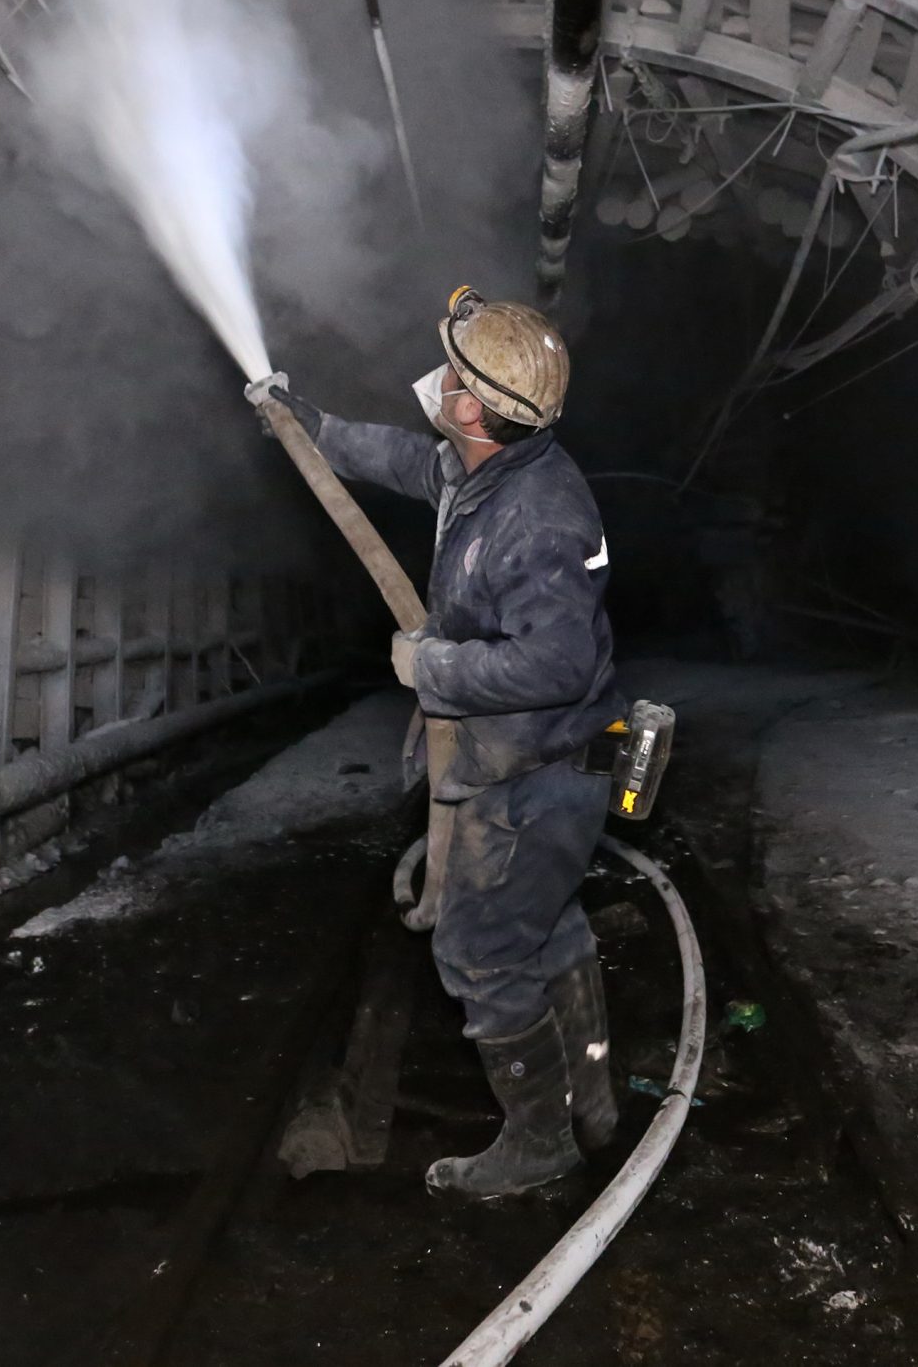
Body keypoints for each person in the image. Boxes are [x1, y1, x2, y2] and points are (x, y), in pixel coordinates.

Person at [247, 287, 624, 1199]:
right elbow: (411, 463)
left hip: (537, 769)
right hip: (541, 760)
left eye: (453, 373)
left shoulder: (537, 519)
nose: (441, 378)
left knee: (481, 953)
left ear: (473, 406)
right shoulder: (487, 465)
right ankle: (597, 1099)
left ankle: (542, 1144)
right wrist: (314, 426)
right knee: (550, 922)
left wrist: (438, 668)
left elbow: (560, 661)